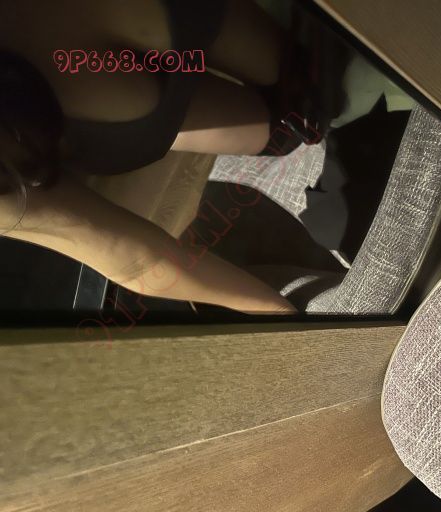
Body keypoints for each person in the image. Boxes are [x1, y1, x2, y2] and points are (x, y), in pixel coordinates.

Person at [0, 0, 306, 314]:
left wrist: (278, 314)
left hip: (114, 85)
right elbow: (134, 260)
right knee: (290, 111)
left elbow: (134, 260)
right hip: (115, 72)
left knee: (296, 88)